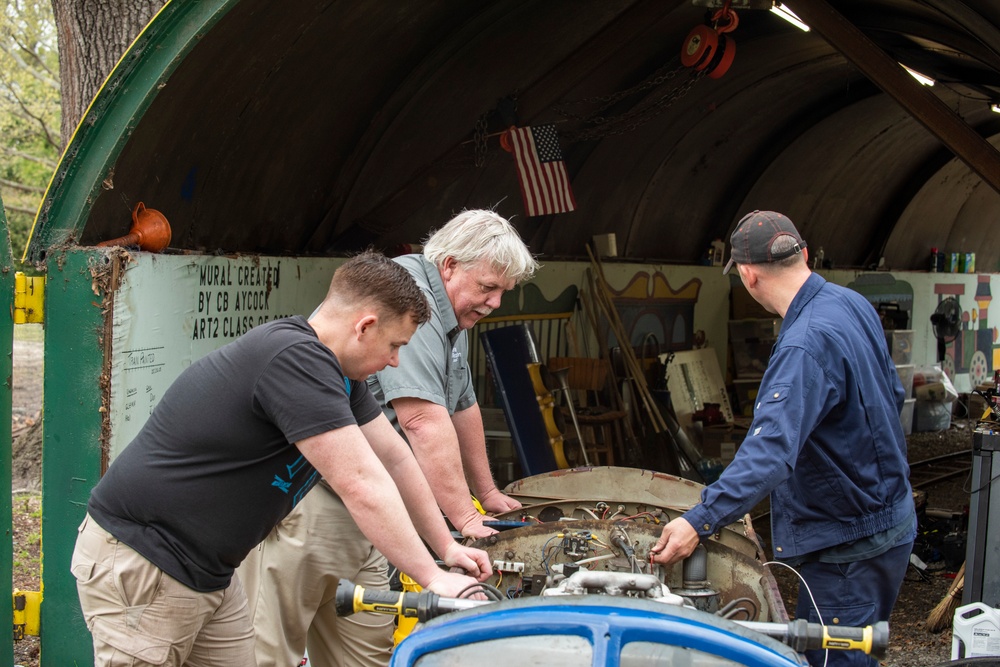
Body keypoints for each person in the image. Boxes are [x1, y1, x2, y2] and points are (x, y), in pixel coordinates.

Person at [70, 251, 492, 667]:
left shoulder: (339, 374)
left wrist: (446, 547)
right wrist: (433, 578)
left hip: (211, 571)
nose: (395, 361)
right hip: (147, 561)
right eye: (395, 344)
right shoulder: (294, 359)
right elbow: (362, 484)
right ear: (365, 326)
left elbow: (396, 460)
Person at [240, 209, 539, 667]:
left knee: (365, 652)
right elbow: (420, 418)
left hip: (379, 503)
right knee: (272, 648)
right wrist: (463, 518)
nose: (495, 302)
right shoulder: (410, 302)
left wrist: (487, 494)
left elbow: (461, 406)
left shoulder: (453, 314)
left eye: (502, 292)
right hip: (323, 498)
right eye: (487, 288)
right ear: (451, 265)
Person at [650, 210, 916, 667]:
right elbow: (891, 395)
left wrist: (699, 519)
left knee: (836, 658)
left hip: (846, 548)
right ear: (804, 254)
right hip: (889, 520)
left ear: (748, 276)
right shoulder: (850, 304)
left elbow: (770, 452)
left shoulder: (802, 345)